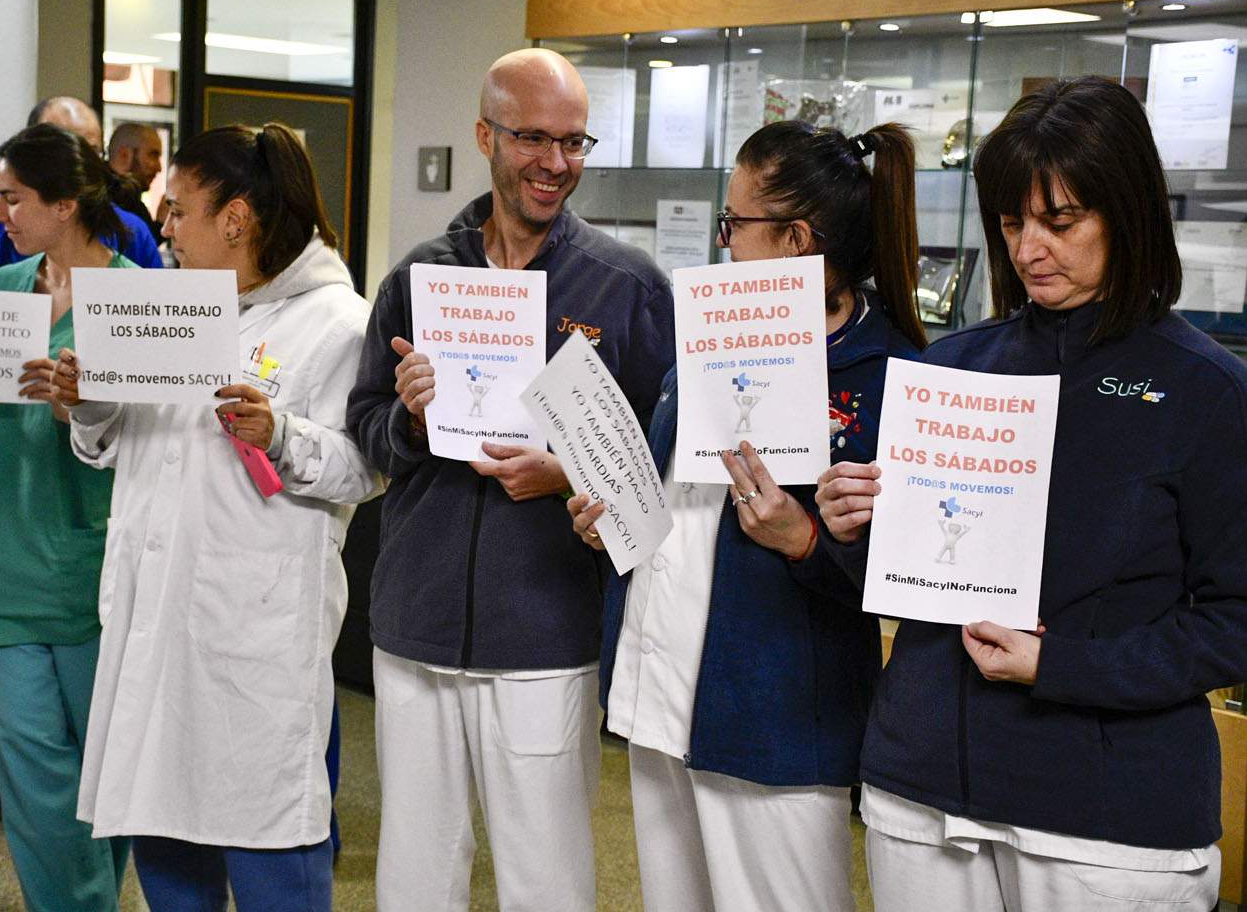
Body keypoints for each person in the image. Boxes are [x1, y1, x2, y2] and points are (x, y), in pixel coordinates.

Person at [816, 76, 1247, 911]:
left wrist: (1062, 665)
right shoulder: (948, 368)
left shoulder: (1208, 392)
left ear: (1127, 213)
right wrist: (850, 528)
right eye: (1013, 223)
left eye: (1061, 221)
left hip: (1107, 824)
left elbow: (1234, 620)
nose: (1029, 249)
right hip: (922, 792)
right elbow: (901, 583)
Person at [346, 48, 674, 912]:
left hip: (545, 634)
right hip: (416, 622)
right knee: (416, 871)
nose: (555, 163)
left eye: (573, 142)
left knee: (546, 874)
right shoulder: (420, 277)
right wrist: (412, 422)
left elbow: (663, 465)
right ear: (485, 136)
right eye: (533, 138)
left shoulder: (628, 287)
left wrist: (569, 473)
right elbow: (366, 425)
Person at [568, 121, 926, 912]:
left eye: (735, 222)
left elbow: (917, 576)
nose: (721, 240)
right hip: (662, 695)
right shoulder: (708, 339)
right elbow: (675, 509)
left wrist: (805, 541)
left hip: (773, 720)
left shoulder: (887, 375)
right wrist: (610, 523)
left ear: (797, 239)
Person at [58, 122, 380, 911]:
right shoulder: (165, 309)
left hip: (252, 635)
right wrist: (89, 402)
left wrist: (282, 434)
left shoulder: (337, 323)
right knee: (165, 842)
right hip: (155, 618)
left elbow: (367, 470)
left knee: (268, 842)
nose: (162, 226)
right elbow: (117, 448)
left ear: (235, 218)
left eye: (178, 209)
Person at [0, 95, 161, 828]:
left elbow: (161, 440)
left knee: (101, 762)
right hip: (9, 552)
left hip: (95, 560)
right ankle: (63, 889)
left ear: (64, 205)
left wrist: (82, 407)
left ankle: (91, 886)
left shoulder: (141, 300)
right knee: (29, 762)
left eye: (12, 199)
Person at [106, 122, 164, 238]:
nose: (159, 168)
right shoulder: (100, 202)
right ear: (125, 155)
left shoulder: (132, 201)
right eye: (152, 155)